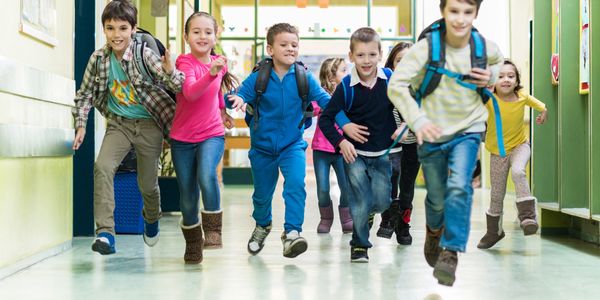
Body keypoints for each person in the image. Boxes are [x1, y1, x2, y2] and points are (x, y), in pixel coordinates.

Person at [387, 0, 503, 286]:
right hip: (433, 131)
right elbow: (396, 86)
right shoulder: (426, 49)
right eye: (454, 11)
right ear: (443, 11)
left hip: (469, 128)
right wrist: (417, 120)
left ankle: (451, 252)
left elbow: (499, 62)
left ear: (476, 13)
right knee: (437, 196)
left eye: (467, 12)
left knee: (459, 187)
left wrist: (492, 77)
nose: (460, 19)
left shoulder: (483, 47)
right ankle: (434, 230)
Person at [71, 0, 184, 255]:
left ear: (133, 29)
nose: (116, 35)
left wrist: (170, 70)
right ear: (104, 30)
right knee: (102, 166)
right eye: (110, 28)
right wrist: (81, 126)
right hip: (119, 124)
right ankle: (105, 233)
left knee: (147, 183)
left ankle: (152, 217)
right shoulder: (98, 59)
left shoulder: (144, 53)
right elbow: (84, 95)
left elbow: (175, 85)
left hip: (149, 125)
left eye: (122, 28)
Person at [228, 23, 331, 258]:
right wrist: (234, 100)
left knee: (296, 184)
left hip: (292, 144)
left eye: (294, 45)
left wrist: (348, 116)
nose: (290, 49)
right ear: (270, 49)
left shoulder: (305, 78)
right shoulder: (259, 77)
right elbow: (239, 96)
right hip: (262, 148)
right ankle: (262, 225)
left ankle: (292, 233)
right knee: (262, 194)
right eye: (284, 44)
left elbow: (328, 103)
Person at [319, 27, 404, 263]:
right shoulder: (346, 86)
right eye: (360, 55)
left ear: (380, 53)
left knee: (381, 201)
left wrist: (406, 124)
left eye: (371, 55)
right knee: (359, 200)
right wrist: (342, 139)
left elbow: (411, 105)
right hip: (355, 154)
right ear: (351, 55)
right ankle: (359, 245)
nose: (366, 61)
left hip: (385, 153)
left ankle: (366, 216)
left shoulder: (391, 79)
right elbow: (326, 118)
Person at [170, 11, 238, 264]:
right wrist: (211, 72)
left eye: (208, 32)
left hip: (212, 133)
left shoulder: (219, 62)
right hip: (182, 137)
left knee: (207, 174)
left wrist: (223, 111)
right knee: (187, 194)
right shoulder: (184, 63)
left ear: (216, 34)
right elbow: (190, 93)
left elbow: (217, 90)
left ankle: (213, 230)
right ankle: (192, 242)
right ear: (187, 36)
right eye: (196, 32)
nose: (202, 36)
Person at [477, 59, 547, 249]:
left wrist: (543, 113)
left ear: (517, 81)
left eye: (511, 76)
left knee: (518, 171)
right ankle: (494, 232)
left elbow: (541, 106)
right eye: (500, 76)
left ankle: (528, 218)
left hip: (520, 146)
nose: (506, 80)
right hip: (498, 152)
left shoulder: (522, 96)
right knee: (496, 195)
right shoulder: (489, 99)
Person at [376, 42, 419, 246]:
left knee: (407, 188)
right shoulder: (384, 87)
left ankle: (403, 224)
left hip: (414, 145)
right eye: (399, 60)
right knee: (389, 183)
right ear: (392, 64)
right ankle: (388, 215)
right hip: (391, 146)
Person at [311, 58, 354, 234]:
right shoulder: (320, 95)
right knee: (323, 188)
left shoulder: (347, 93)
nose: (347, 73)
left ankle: (346, 217)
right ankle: (326, 218)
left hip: (342, 150)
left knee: (346, 187)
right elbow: (312, 109)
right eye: (343, 70)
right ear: (331, 75)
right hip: (321, 149)